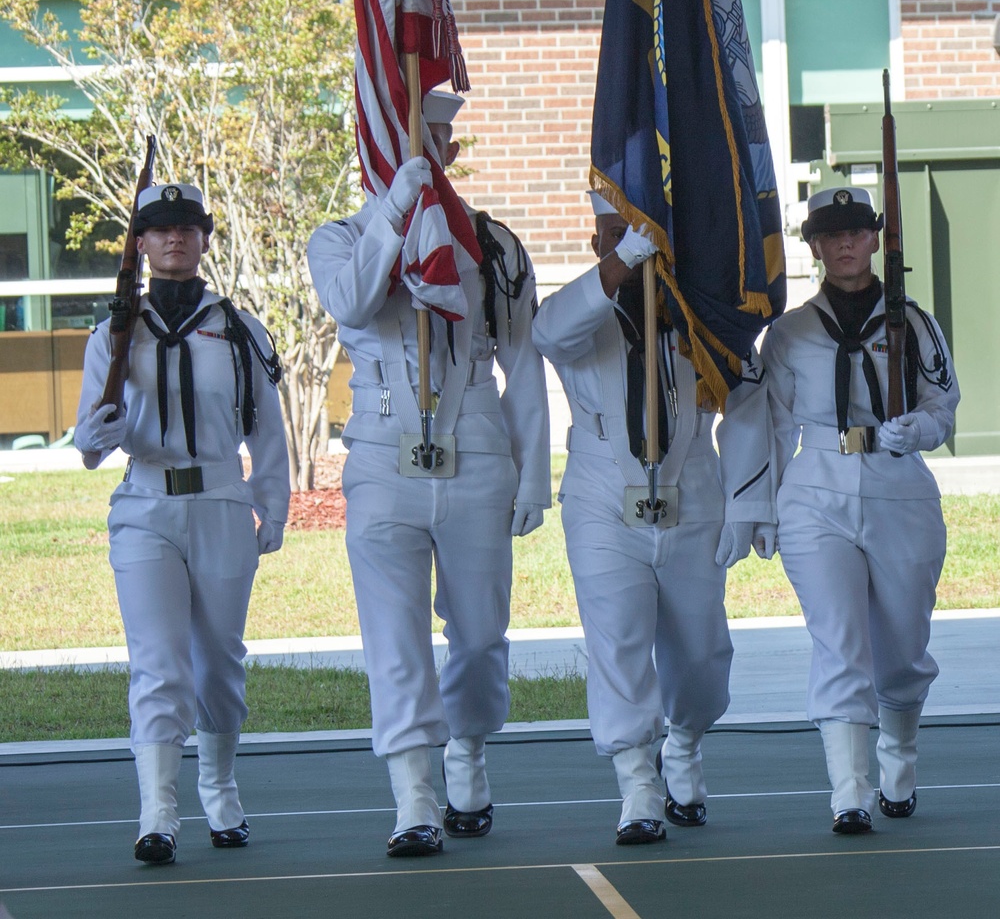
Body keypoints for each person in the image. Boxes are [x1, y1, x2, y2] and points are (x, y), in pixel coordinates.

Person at [307, 91, 550, 859]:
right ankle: (414, 796)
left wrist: (535, 473)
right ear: (374, 143)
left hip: (474, 445)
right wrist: (397, 210)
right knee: (394, 637)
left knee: (479, 633)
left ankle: (466, 750)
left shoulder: (490, 245)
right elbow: (352, 298)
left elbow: (524, 363)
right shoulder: (341, 237)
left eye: (440, 133)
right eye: (417, 133)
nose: (432, 145)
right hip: (383, 454)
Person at [531, 193, 774, 845]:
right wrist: (620, 267)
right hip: (602, 501)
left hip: (692, 494)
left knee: (701, 651)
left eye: (647, 234)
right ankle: (638, 782)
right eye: (616, 233)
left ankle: (686, 742)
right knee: (616, 640)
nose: (634, 244)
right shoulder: (584, 318)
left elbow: (748, 403)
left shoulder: (703, 320)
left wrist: (751, 500)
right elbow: (547, 330)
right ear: (596, 244)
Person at [74, 182, 288, 865]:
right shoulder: (113, 330)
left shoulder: (236, 328)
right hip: (146, 506)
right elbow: (87, 448)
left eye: (187, 228)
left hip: (222, 501)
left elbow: (269, 429)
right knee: (159, 664)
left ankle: (219, 786)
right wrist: (99, 428)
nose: (173, 239)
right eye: (159, 229)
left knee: (219, 663)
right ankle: (158, 814)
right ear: (138, 243)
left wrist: (273, 503)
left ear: (205, 240)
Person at [761, 186, 959, 835]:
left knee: (902, 648)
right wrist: (757, 506)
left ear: (876, 238)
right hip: (816, 489)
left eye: (855, 231)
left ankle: (897, 756)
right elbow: (768, 426)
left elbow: (942, 405)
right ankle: (850, 792)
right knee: (840, 643)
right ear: (813, 245)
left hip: (900, 488)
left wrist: (920, 433)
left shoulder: (916, 324)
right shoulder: (788, 333)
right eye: (829, 233)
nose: (844, 243)